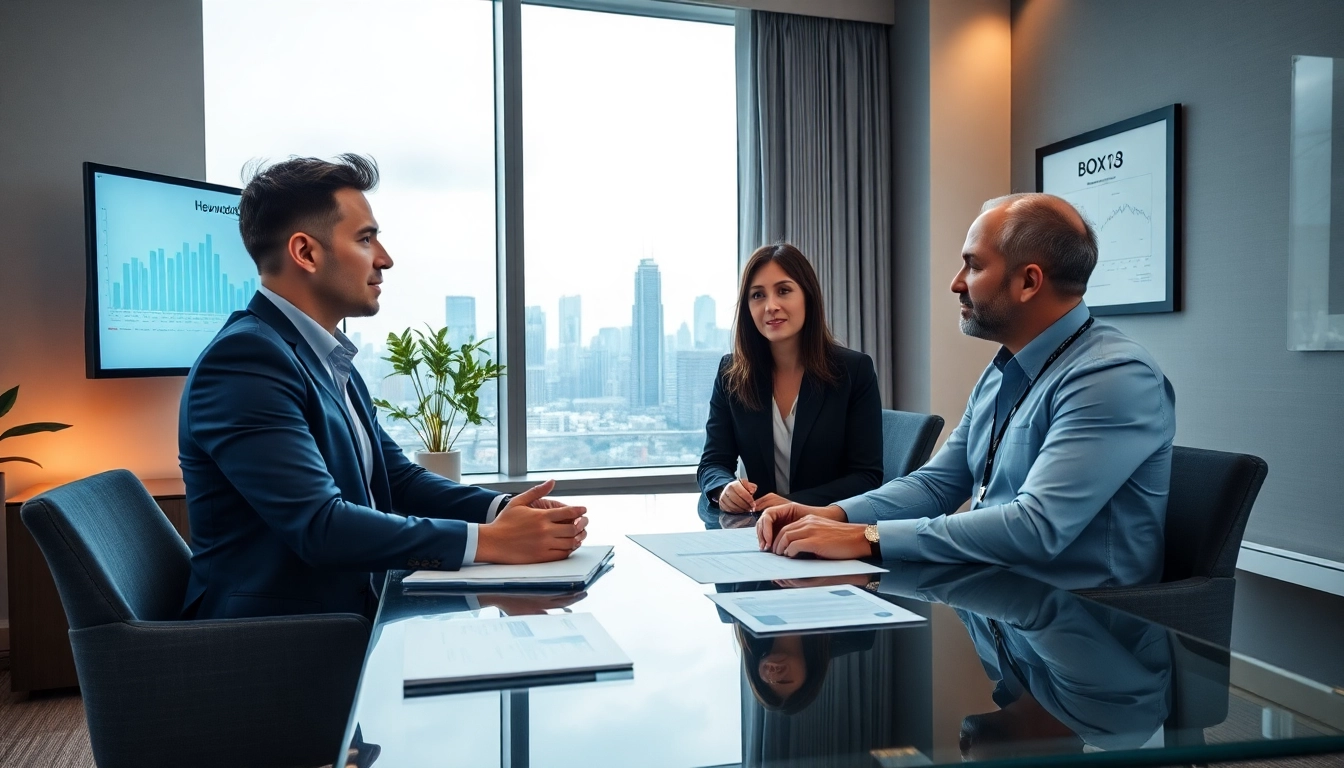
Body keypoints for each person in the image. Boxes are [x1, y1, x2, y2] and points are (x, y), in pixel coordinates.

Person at [179, 155, 587, 620]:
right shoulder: (245, 362)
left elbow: (396, 479)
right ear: (306, 253)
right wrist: (491, 542)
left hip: (349, 611)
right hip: (275, 640)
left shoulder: (327, 356)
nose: (385, 259)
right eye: (365, 238)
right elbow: (320, 526)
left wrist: (505, 509)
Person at [756, 193, 1175, 589]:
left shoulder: (1112, 376)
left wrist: (865, 536)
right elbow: (937, 486)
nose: (957, 283)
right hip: (998, 610)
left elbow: (1035, 528)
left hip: (1080, 633)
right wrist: (830, 515)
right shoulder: (1002, 371)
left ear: (1028, 282)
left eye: (973, 266)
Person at [697, 243, 883, 529]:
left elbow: (866, 476)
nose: (771, 306)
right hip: (757, 533)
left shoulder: (853, 371)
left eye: (783, 290)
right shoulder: (731, 373)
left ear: (807, 296)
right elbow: (712, 463)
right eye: (758, 295)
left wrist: (796, 504)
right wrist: (724, 488)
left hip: (828, 533)